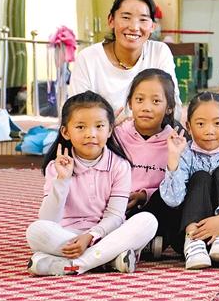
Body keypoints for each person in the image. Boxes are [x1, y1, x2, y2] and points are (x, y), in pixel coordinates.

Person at [25, 91, 157, 275]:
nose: (91, 134)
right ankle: (108, 260)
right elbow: (48, 219)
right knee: (35, 230)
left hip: (105, 235)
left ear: (109, 130)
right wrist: (62, 180)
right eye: (80, 127)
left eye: (99, 126)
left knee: (148, 221)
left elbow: (115, 216)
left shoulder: (120, 166)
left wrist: (90, 236)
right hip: (67, 236)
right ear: (66, 132)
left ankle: (76, 264)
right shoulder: (57, 167)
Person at [159, 92, 219, 270]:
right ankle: (193, 241)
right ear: (188, 126)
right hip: (189, 231)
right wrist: (173, 158)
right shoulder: (185, 152)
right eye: (200, 124)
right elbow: (173, 199)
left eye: (217, 123)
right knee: (200, 177)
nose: (209, 131)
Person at [69, 0, 182, 120]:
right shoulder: (88, 58)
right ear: (111, 20)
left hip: (151, 131)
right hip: (102, 132)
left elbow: (173, 108)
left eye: (143, 19)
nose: (134, 27)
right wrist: (110, 126)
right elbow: (76, 113)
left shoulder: (159, 52)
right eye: (126, 17)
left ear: (153, 26)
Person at [115, 69, 184, 260]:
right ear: (130, 103)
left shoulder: (175, 141)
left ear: (169, 107)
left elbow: (176, 189)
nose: (146, 107)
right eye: (139, 100)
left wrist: (144, 195)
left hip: (154, 208)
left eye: (156, 101)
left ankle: (138, 242)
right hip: (119, 206)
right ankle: (134, 243)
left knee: (169, 197)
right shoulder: (117, 135)